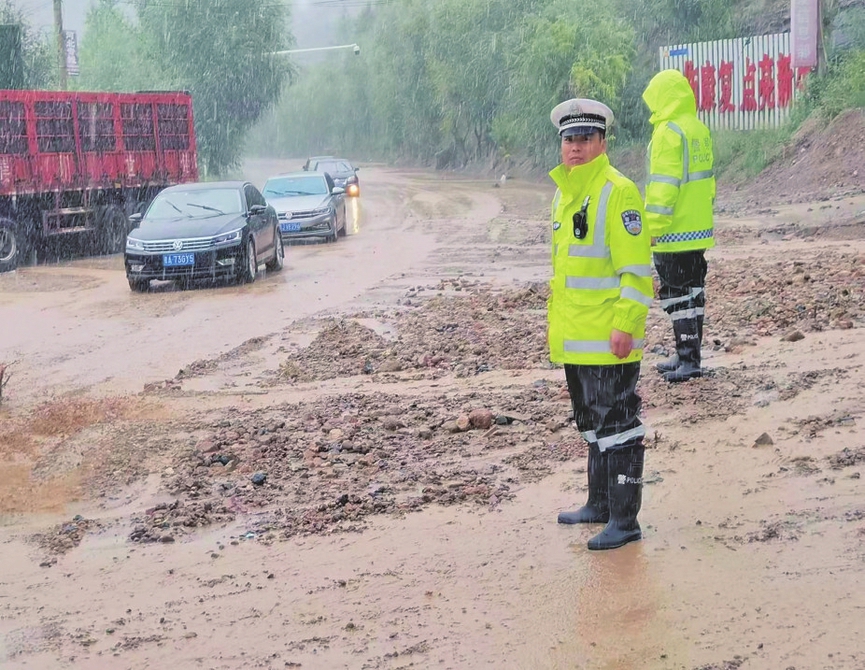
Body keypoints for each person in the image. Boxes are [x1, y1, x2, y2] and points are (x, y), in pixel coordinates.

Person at [548, 98, 653, 551]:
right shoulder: (564, 193)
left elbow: (635, 269)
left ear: (602, 142)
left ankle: (625, 520)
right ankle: (600, 503)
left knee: (619, 425)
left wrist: (626, 324)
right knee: (590, 424)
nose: (576, 147)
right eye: (569, 139)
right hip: (576, 339)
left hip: (610, 338)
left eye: (585, 138)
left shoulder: (618, 191)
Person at [642, 69, 716, 383]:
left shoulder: (667, 133)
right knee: (694, 291)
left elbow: (663, 187)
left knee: (676, 294)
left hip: (673, 231)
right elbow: (706, 182)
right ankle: (688, 352)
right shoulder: (696, 129)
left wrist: (652, 227)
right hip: (697, 228)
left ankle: (689, 359)